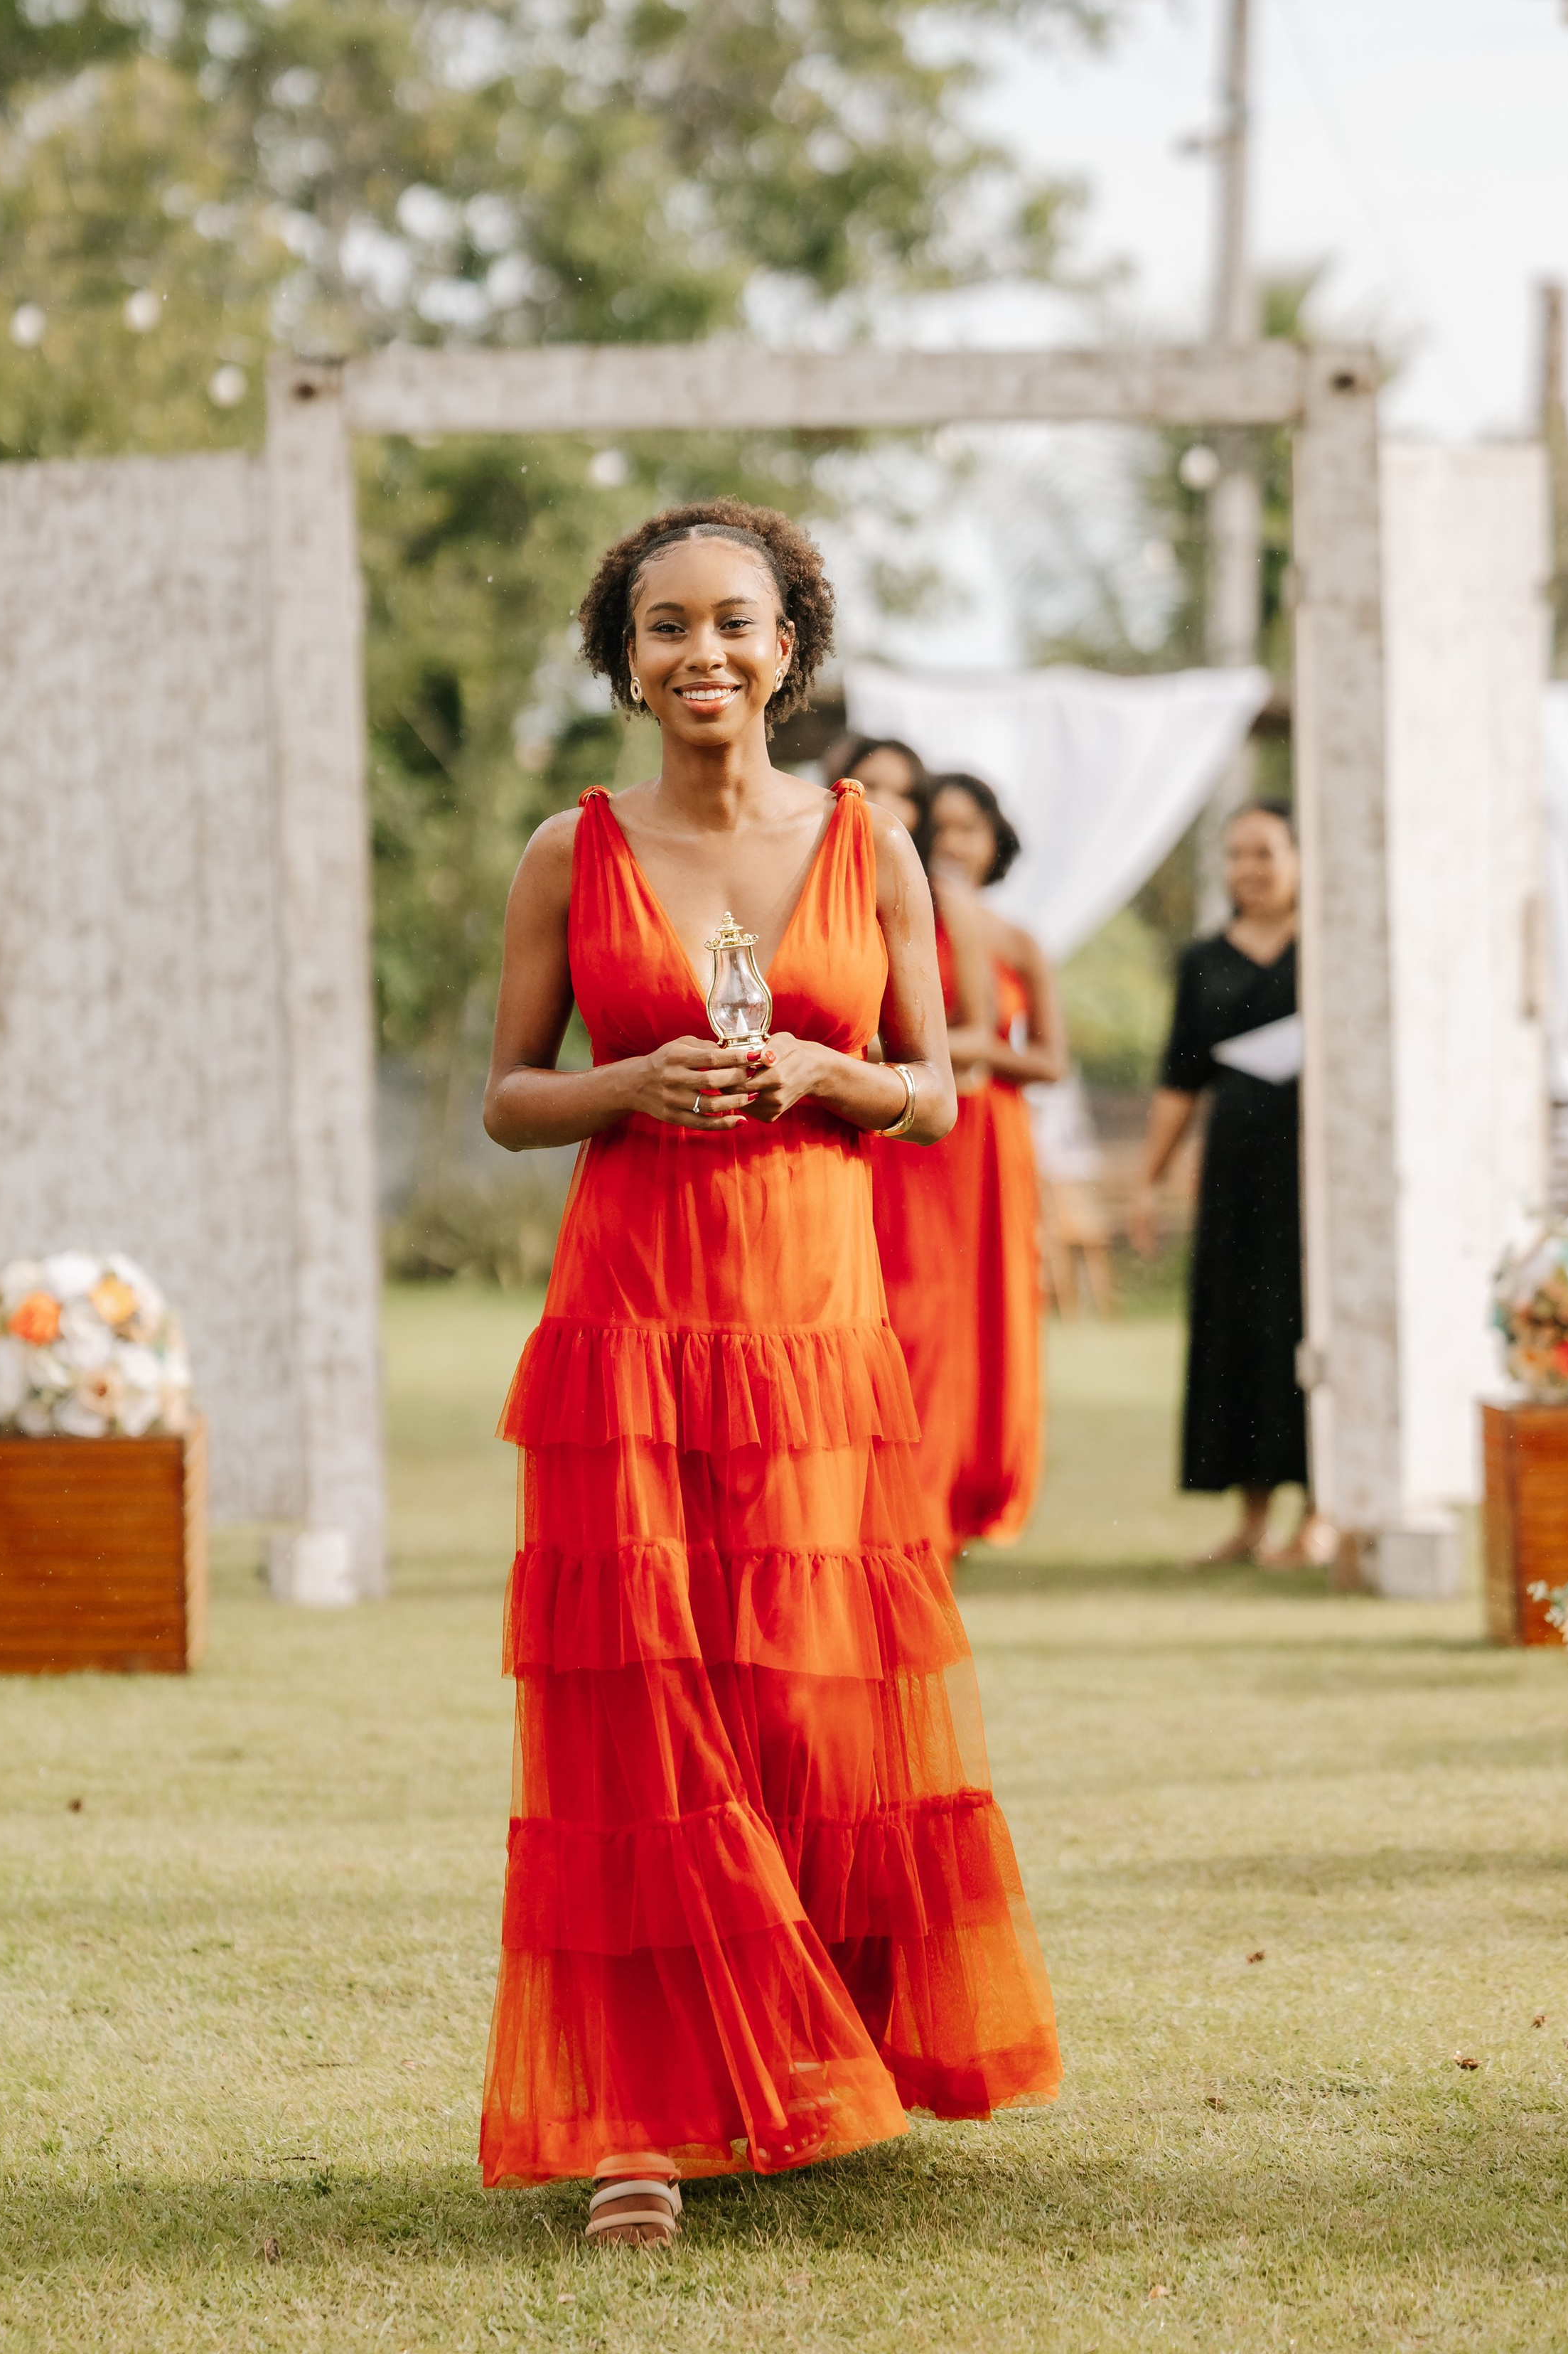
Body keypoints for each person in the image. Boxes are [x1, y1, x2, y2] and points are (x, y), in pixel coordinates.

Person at [478, 505, 1060, 2242]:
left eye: (733, 621)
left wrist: (823, 1069)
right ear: (624, 658)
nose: (699, 654)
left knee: (807, 1693)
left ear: (789, 648)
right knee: (641, 1696)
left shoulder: (864, 843)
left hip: (811, 1327)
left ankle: (822, 2043)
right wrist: (627, 1082)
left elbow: (936, 1089)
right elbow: (510, 1092)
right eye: (663, 627)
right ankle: (640, 2121)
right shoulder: (559, 849)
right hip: (632, 1318)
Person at [862, 763, 1064, 1555]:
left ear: (994, 841)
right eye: (939, 827)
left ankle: (963, 1482)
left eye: (967, 829)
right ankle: (907, 1485)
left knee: (981, 1306)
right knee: (914, 1308)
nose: (950, 843)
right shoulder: (904, 911)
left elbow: (1042, 1057)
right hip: (909, 1130)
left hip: (984, 1130)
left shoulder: (1003, 936)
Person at [1129, 801, 1320, 1569]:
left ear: (1300, 858)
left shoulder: (1330, 948)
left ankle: (1321, 1513)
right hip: (1236, 1177)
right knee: (1238, 1331)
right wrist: (1148, 1178)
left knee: (1308, 1329)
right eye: (1236, 854)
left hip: (1316, 1177)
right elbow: (1180, 1077)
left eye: (1265, 852)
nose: (1249, 869)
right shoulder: (1201, 961)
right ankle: (1249, 1520)